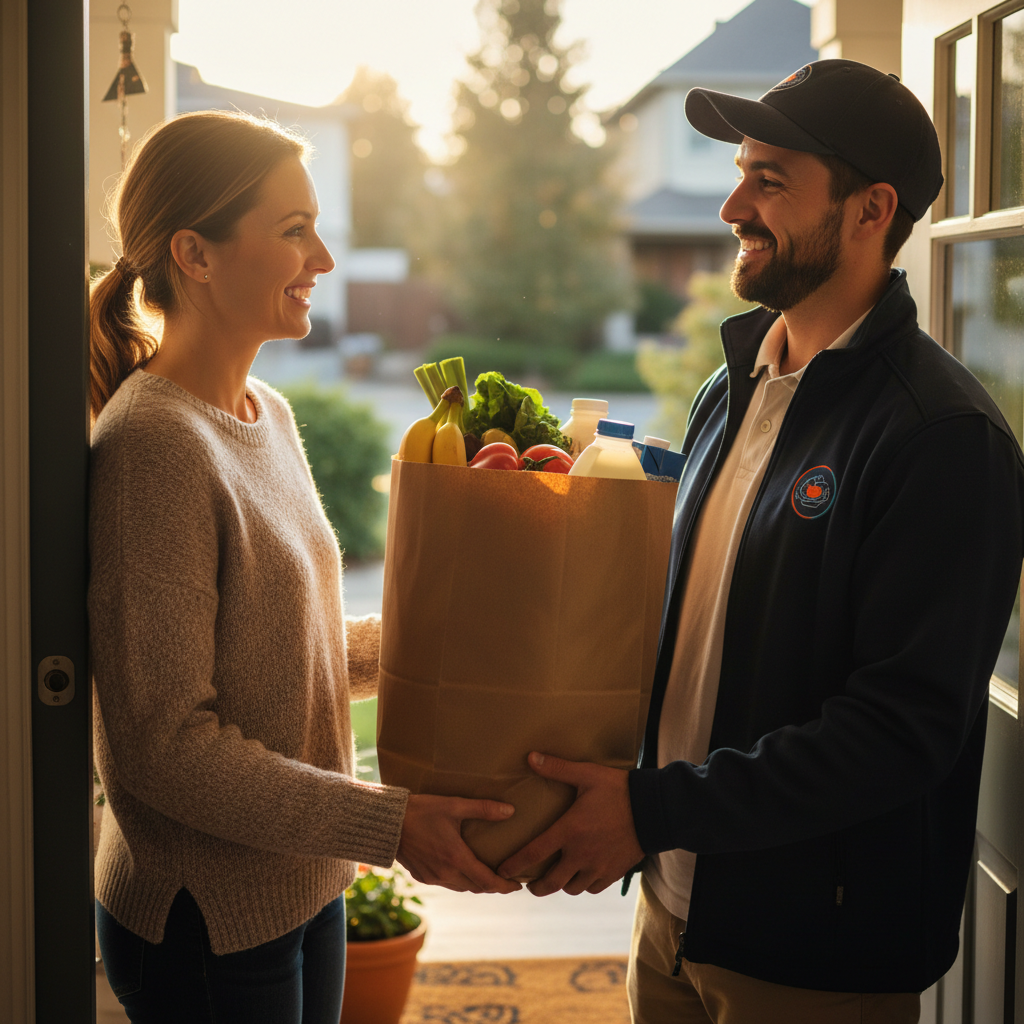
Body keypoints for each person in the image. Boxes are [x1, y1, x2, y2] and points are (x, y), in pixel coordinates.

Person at [498, 60, 1024, 1022]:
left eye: (770, 179)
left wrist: (650, 810)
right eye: (741, 171)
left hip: (809, 957)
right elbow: (690, 627)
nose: (734, 204)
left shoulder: (941, 437)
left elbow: (899, 732)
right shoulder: (732, 387)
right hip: (669, 916)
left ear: (871, 210)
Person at [88, 109, 519, 1024]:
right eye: (294, 232)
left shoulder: (265, 412)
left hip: (300, 883)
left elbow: (292, 647)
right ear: (194, 255)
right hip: (208, 917)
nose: (323, 259)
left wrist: (443, 644)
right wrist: (390, 821)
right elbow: (164, 746)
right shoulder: (154, 445)